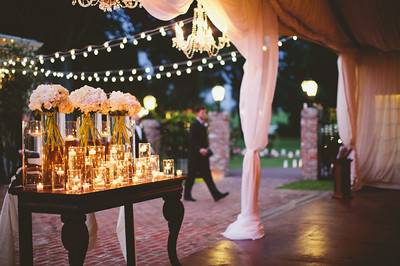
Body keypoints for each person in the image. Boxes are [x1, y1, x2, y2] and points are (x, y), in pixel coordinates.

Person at [184, 106, 229, 202]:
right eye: (202, 112)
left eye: (205, 112)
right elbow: (192, 140)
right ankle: (187, 196)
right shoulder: (194, 124)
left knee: (207, 176)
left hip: (203, 156)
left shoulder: (203, 124)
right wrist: (199, 149)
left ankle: (216, 195)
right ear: (197, 113)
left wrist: (206, 149)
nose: (204, 114)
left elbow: (204, 140)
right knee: (191, 176)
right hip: (195, 156)